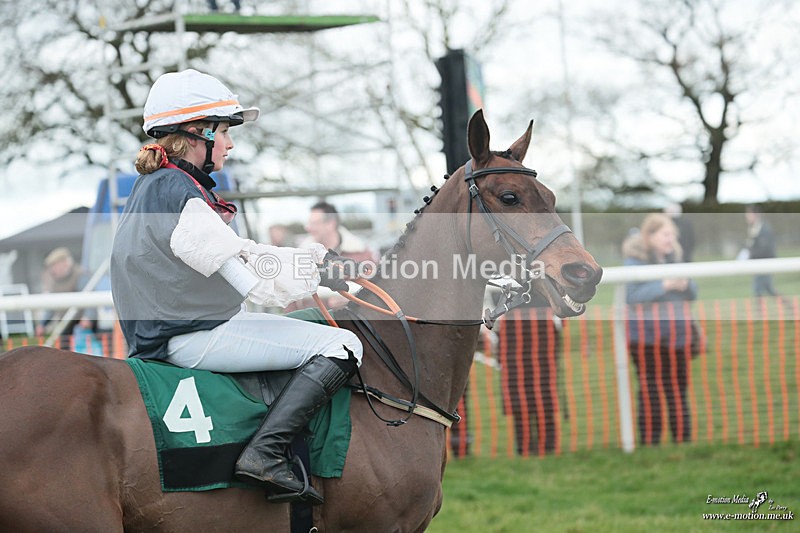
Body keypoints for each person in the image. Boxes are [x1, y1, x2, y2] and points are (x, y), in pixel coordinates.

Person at [109, 69, 362, 504]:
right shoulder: (179, 190)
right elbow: (252, 280)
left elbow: (239, 251)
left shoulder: (154, 185)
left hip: (177, 333)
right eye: (223, 131)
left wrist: (315, 262)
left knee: (310, 323)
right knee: (344, 347)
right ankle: (265, 454)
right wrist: (318, 269)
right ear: (196, 133)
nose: (229, 143)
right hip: (195, 338)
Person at [623, 213, 697, 445]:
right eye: (666, 234)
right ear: (650, 235)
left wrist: (686, 284)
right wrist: (664, 285)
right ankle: (650, 442)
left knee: (678, 390)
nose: (670, 239)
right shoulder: (633, 261)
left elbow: (694, 292)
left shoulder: (676, 258)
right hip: (645, 340)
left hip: (678, 337)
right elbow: (632, 296)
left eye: (672, 234)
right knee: (650, 390)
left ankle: (682, 440)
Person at [496, 294, 562, 456]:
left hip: (542, 332)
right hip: (513, 334)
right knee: (518, 393)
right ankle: (525, 447)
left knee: (544, 391)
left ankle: (548, 447)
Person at [36, 247, 82, 338]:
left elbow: (89, 301)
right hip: (64, 324)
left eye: (55, 265)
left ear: (65, 263)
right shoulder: (55, 282)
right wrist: (42, 324)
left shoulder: (80, 275)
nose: (53, 270)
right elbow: (52, 306)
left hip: (80, 326)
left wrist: (88, 318)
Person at [742, 204, 778, 297]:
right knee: (768, 289)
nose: (746, 216)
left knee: (758, 290)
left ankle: (791, 308)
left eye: (748, 214)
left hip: (765, 264)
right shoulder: (753, 229)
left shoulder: (764, 229)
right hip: (758, 263)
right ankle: (791, 307)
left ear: (755, 215)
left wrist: (750, 255)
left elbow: (766, 249)